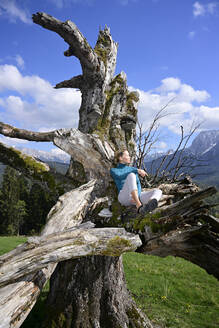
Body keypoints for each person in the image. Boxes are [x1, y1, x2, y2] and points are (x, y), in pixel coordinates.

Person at [110, 149, 162, 215]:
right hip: (124, 197)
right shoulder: (114, 170)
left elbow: (138, 184)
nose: (130, 157)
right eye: (127, 155)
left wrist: (137, 195)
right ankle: (139, 205)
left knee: (158, 191)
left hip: (136, 196)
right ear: (120, 158)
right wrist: (137, 171)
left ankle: (148, 205)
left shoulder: (132, 169)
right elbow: (120, 176)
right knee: (131, 175)